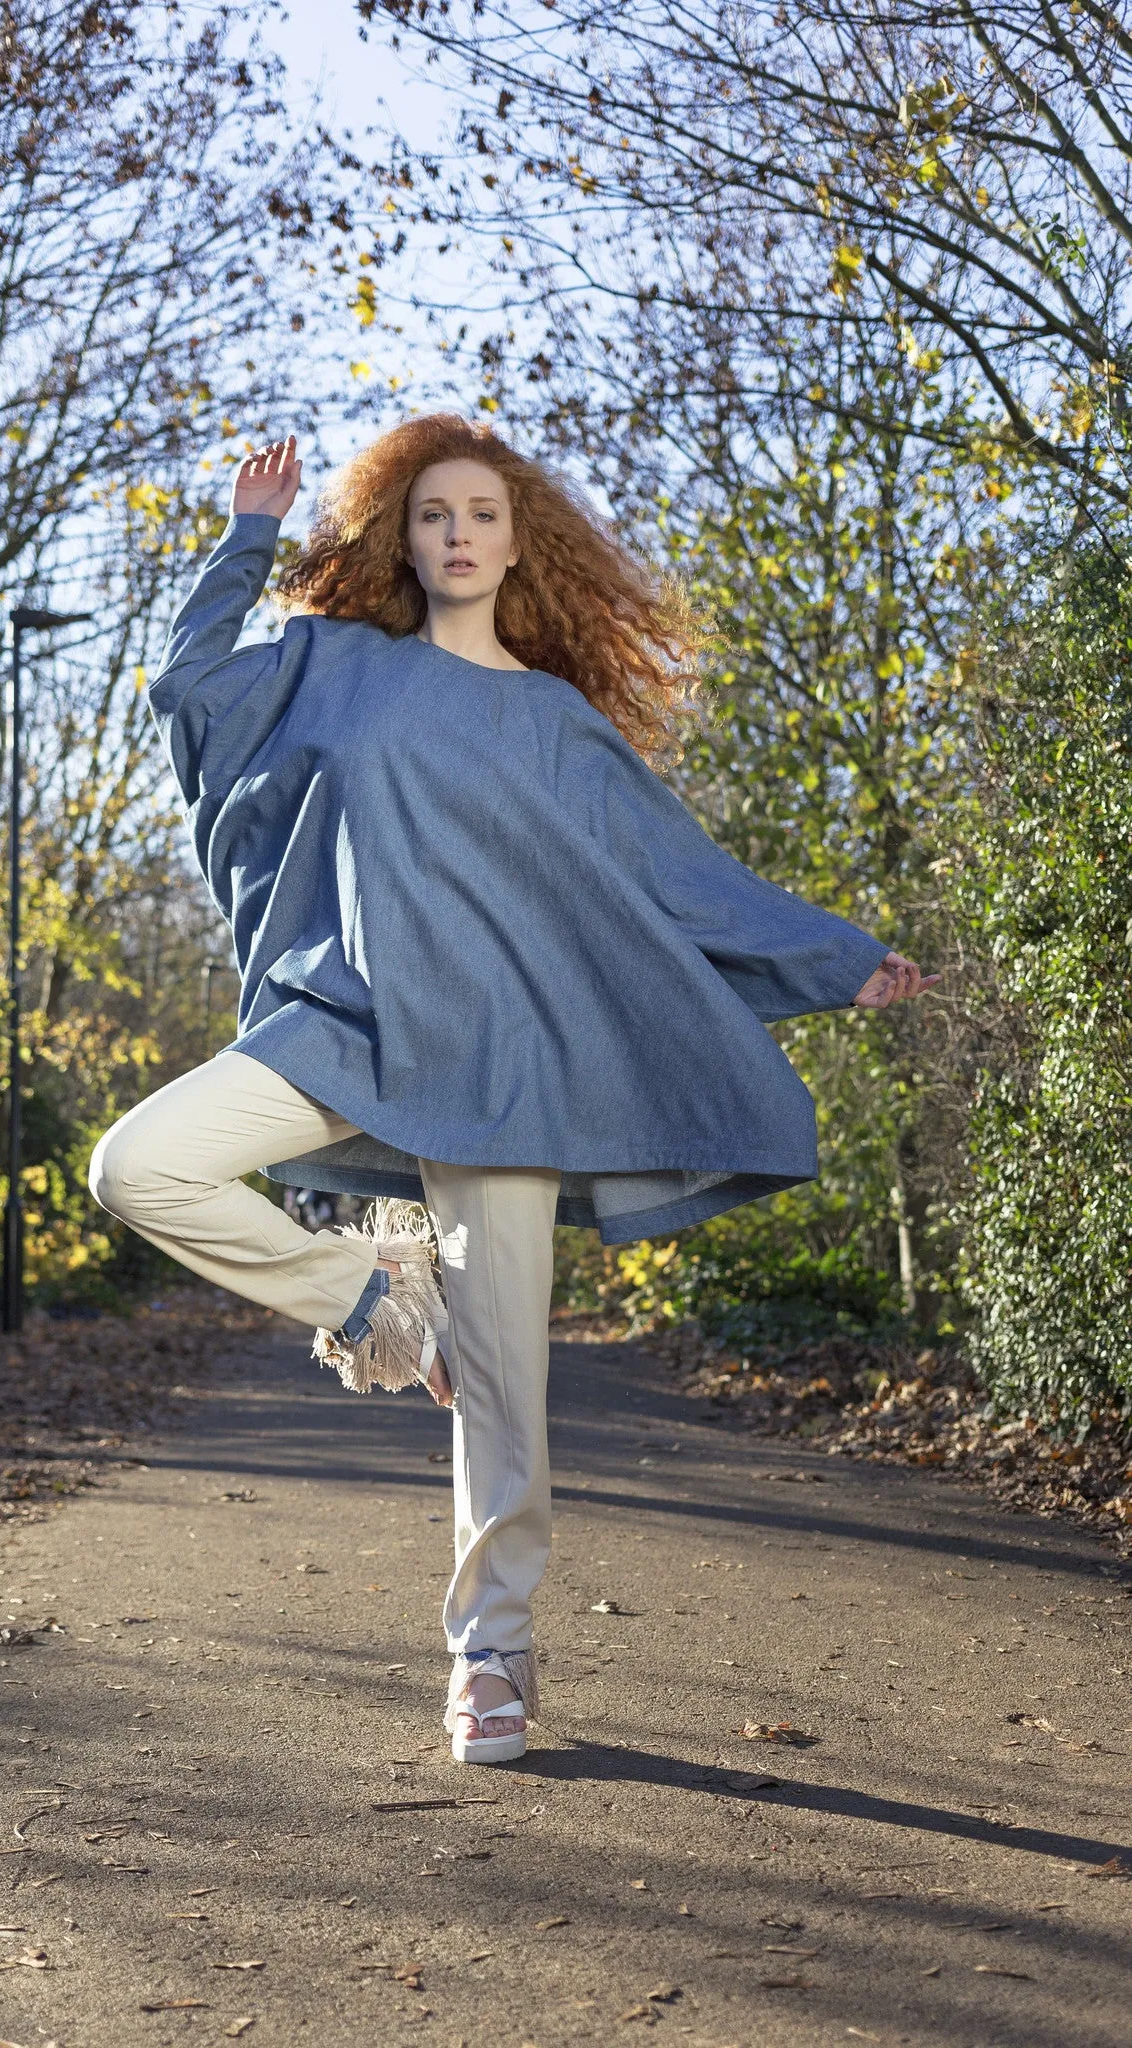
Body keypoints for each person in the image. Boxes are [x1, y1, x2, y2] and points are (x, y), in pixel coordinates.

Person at [89, 416, 937, 1765]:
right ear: (403, 539)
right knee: (136, 1166)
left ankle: (490, 1653)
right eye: (434, 515)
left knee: (507, 1389)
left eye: (482, 513)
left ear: (516, 539)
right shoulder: (336, 667)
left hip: (504, 1067)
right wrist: (249, 536)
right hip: (346, 1025)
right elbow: (190, 689)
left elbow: (679, 877)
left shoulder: (555, 724)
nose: (460, 534)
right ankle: (378, 1308)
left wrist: (832, 957)